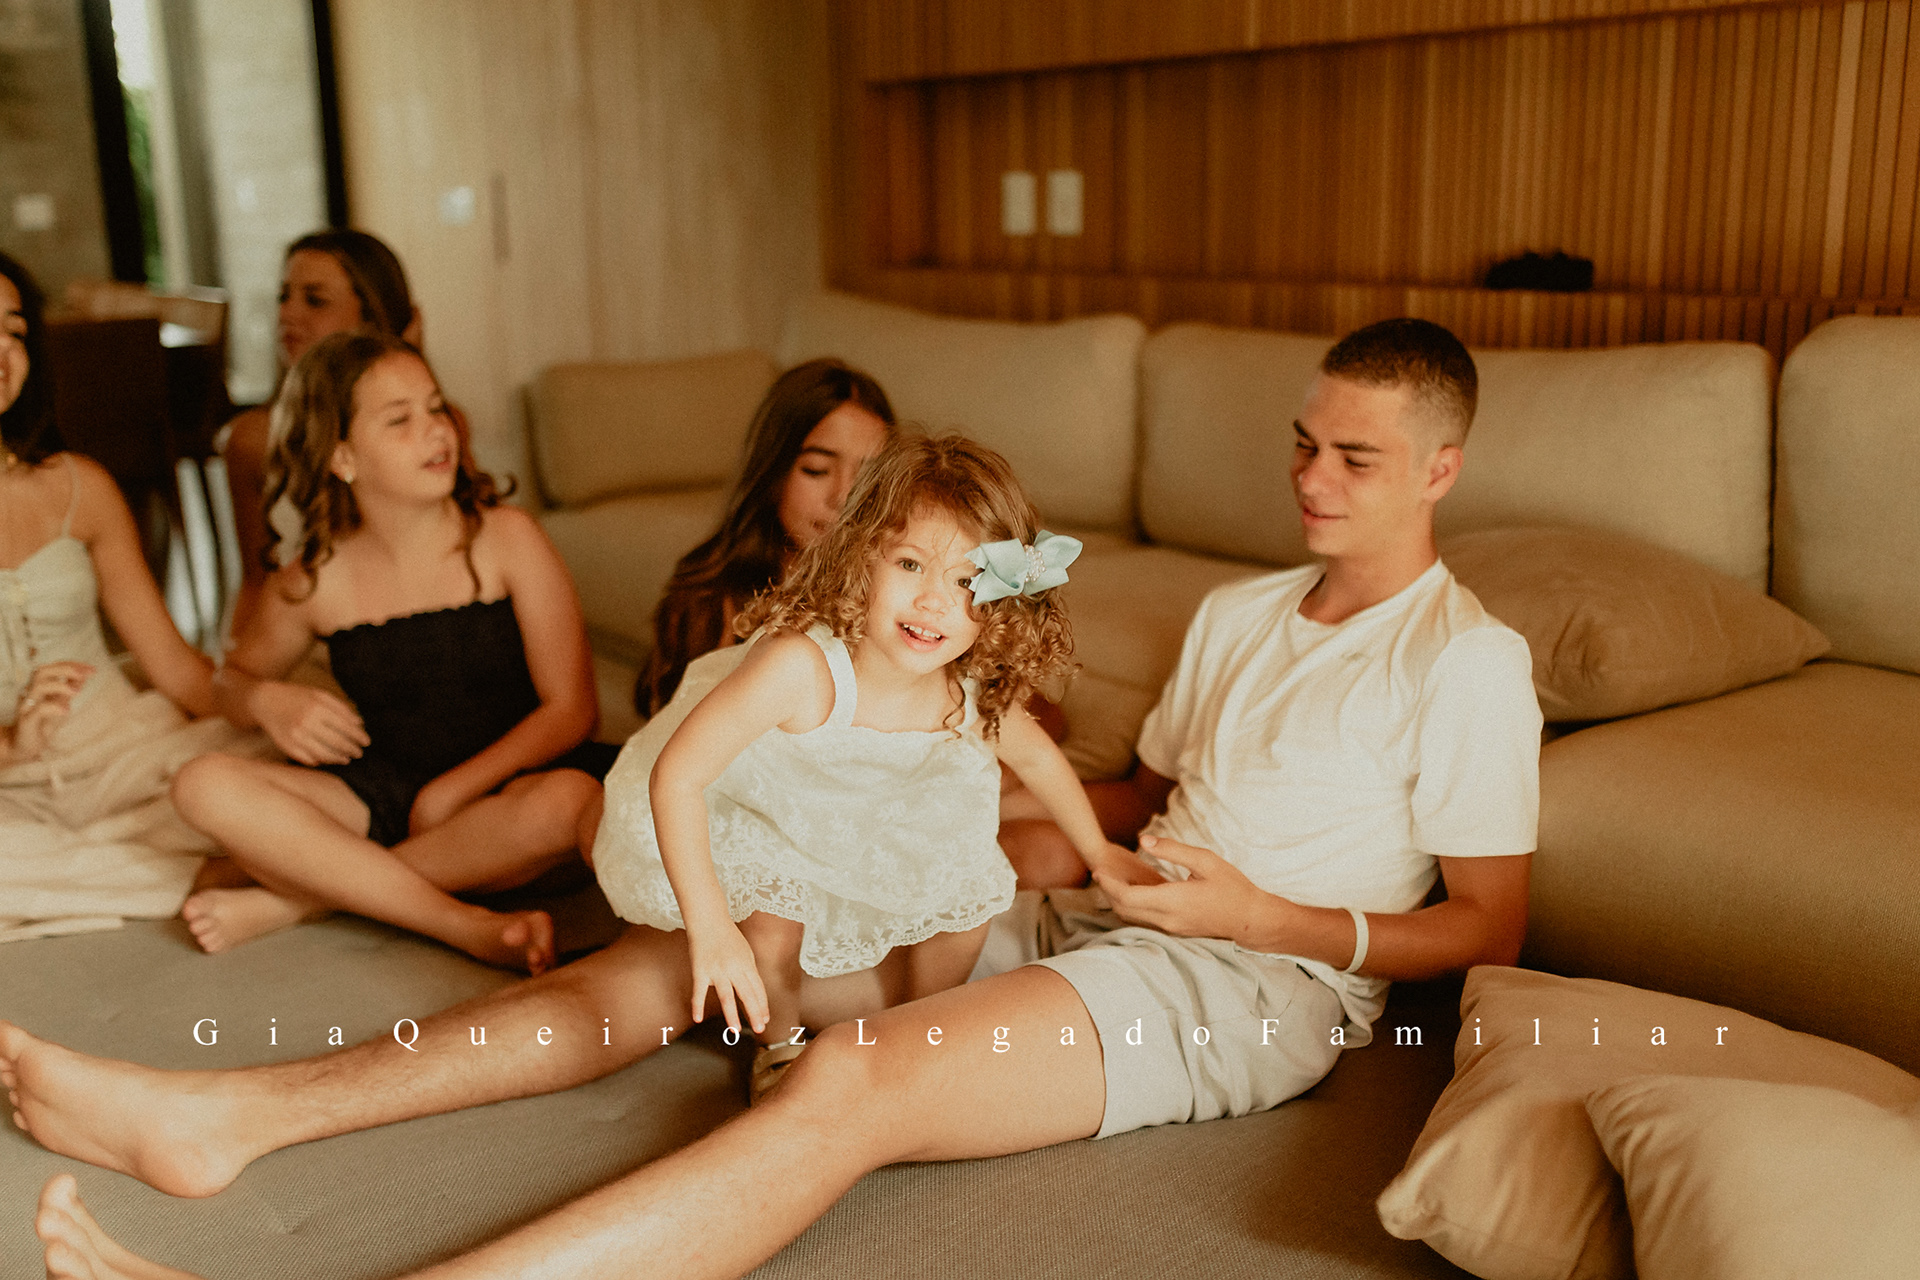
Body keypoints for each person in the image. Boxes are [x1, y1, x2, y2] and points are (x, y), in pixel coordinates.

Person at [12, 318, 1539, 1280]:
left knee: (849, 1083)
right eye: (1304, 445)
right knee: (683, 960)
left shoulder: (1467, 662)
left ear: (1442, 468)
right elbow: (1128, 790)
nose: (1312, 479)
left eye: (1356, 458)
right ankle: (223, 1113)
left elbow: (1487, 925)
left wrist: (1255, 915)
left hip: (1249, 985)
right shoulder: (1241, 612)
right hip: (1104, 907)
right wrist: (986, 834)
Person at [596, 434, 1135, 1094]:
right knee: (771, 926)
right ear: (860, 557)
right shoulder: (800, 668)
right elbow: (678, 775)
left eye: (967, 581)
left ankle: (912, 1030)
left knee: (966, 901)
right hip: (767, 813)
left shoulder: (962, 689)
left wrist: (1100, 853)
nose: (934, 601)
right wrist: (711, 928)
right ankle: (779, 1047)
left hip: (869, 819)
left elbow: (1040, 759)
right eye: (910, 565)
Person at [166, 330, 613, 971]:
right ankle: (462, 924)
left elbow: (572, 710)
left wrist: (451, 793)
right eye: (400, 420)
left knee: (568, 803)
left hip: (514, 788)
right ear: (343, 457)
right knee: (201, 785)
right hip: (387, 789)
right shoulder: (312, 580)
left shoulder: (507, 538)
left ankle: (303, 901)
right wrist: (266, 700)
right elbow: (227, 683)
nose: (435, 432)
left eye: (435, 408)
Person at [0, 252, 262, 944]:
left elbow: (174, 667)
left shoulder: (80, 485)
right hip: (7, 795)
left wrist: (265, 704)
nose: (2, 353)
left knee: (269, 764)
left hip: (123, 754)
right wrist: (11, 745)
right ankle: (216, 872)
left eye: (14, 332)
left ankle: (136, 869)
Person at [640, 356, 894, 716]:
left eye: (868, 477)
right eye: (817, 469)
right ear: (773, 472)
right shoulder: (713, 602)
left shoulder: (900, 597)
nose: (843, 497)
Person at [220, 230, 427, 638]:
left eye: (315, 300)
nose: (288, 314)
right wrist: (235, 663)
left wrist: (401, 370)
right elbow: (256, 581)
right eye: (284, 297)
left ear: (371, 316)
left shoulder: (436, 430)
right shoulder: (252, 441)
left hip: (414, 626)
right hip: (308, 638)